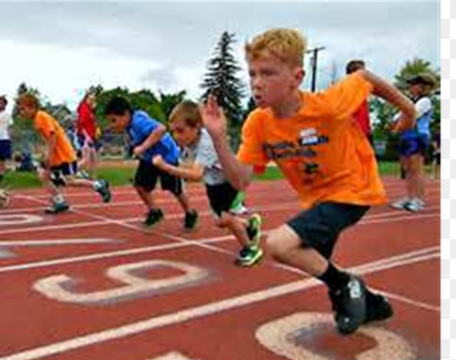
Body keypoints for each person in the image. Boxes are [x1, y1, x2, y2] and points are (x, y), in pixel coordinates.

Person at [203, 28, 418, 335]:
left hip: (354, 189)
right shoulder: (258, 122)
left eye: (268, 73)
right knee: (315, 258)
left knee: (278, 244)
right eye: (252, 74)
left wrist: (408, 109)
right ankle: (372, 304)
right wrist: (219, 138)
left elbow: (365, 78)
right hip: (318, 199)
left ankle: (345, 286)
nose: (257, 83)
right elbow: (239, 180)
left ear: (297, 77)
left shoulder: (329, 105)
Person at [155, 100, 264, 266]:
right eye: (173, 131)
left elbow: (196, 174)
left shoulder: (206, 142)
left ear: (196, 127)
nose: (176, 136)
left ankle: (250, 249)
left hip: (229, 181)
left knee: (226, 219)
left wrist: (167, 168)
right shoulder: (189, 141)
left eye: (180, 131)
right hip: (213, 185)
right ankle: (249, 225)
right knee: (220, 222)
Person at [104, 96, 198, 230]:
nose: (113, 124)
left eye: (114, 120)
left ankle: (190, 213)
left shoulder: (138, 121)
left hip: (166, 158)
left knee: (175, 189)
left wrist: (142, 147)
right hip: (149, 159)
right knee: (140, 185)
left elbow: (161, 129)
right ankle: (155, 211)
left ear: (125, 114)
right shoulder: (129, 126)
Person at [16, 93, 112, 214]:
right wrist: (45, 153)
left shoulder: (41, 116)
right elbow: (48, 137)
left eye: (23, 109)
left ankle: (97, 185)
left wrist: (49, 155)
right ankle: (60, 201)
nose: (21, 112)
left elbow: (52, 135)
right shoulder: (37, 119)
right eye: (20, 110)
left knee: (68, 180)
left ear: (32, 107)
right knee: (46, 176)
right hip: (57, 155)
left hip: (63, 154)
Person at [390, 73, 436, 212]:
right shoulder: (410, 101)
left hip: (417, 136)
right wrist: (397, 122)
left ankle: (418, 199)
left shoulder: (425, 101)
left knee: (416, 169)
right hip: (406, 136)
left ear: (422, 87)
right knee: (407, 169)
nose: (410, 87)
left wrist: (397, 123)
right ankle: (409, 197)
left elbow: (411, 115)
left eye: (413, 84)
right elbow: (396, 117)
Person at [346, 60, 373, 146]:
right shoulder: (347, 91)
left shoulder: (362, 91)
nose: (365, 75)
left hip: (365, 134)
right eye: (363, 71)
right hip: (354, 136)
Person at [75, 92, 102, 179]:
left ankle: (93, 178)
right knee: (86, 159)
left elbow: (91, 123)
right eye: (90, 99)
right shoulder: (84, 109)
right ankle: (68, 172)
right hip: (85, 137)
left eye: (93, 99)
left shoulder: (89, 110)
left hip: (91, 137)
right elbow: (81, 125)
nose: (92, 101)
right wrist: (87, 137)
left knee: (94, 158)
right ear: (86, 99)